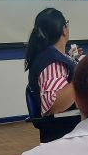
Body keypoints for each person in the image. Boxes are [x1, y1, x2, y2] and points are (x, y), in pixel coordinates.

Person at [24, 8, 81, 143]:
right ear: (64, 29)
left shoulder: (52, 56)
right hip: (64, 133)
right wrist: (81, 77)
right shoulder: (52, 63)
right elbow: (54, 104)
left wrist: (72, 59)